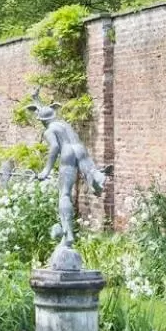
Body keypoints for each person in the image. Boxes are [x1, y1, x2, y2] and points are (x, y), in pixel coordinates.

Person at [30, 93, 107, 246]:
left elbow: (55, 147)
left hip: (66, 153)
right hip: (80, 150)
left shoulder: (49, 130)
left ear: (42, 121)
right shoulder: (64, 124)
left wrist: (46, 170)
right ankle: (96, 177)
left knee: (64, 193)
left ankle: (68, 232)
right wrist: (37, 99)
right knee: (90, 171)